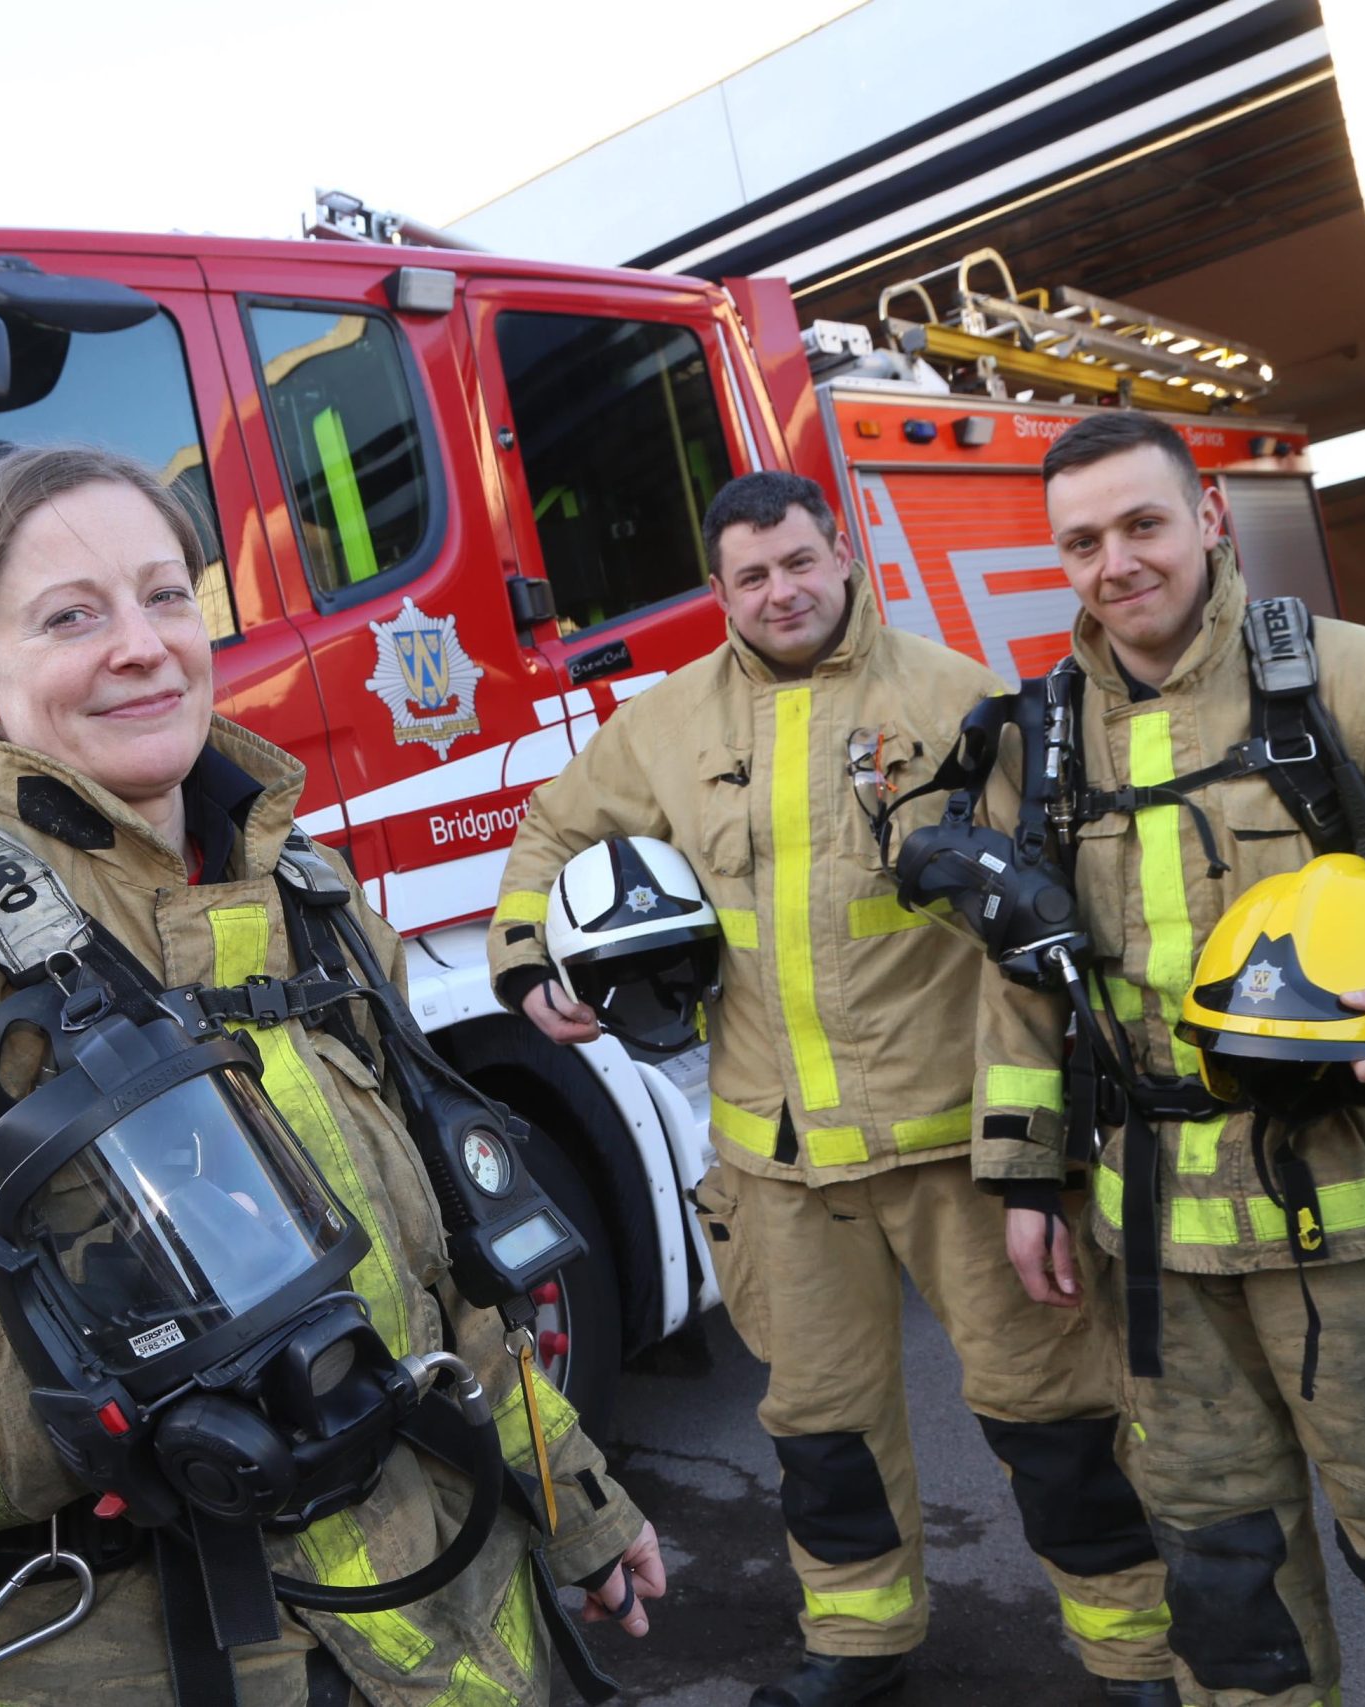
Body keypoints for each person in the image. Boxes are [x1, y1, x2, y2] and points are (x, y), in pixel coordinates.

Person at [0, 444, 663, 1706]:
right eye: (71, 616)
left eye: (166, 594)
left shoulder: (311, 898)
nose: (142, 645)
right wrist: (87, 1378)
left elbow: (443, 1271)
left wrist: (572, 1499)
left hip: (457, 1614)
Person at [489, 471, 1175, 1707]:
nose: (780, 591)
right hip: (778, 1163)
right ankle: (858, 1644)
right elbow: (549, 832)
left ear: (842, 557)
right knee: (819, 1428)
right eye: (750, 575)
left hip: (955, 1146)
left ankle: (1129, 1654)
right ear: (719, 590)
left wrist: (1048, 1146)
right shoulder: (665, 726)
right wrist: (526, 954)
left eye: (799, 562)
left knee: (1052, 1416)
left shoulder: (951, 697)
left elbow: (1041, 915)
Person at [975, 409, 1365, 1707]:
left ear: (1206, 516)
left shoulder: (1349, 678)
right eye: (1081, 540)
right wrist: (1027, 1176)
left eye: (1143, 523)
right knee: (1225, 1601)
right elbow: (1030, 975)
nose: (1115, 561)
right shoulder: (1041, 741)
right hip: (1160, 1258)